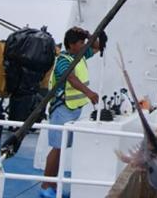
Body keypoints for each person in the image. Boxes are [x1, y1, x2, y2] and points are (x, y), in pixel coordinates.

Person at [39, 27, 101, 198]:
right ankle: (46, 186)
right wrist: (89, 93)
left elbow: (97, 46)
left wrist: (87, 34)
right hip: (62, 109)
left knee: (62, 148)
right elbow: (71, 79)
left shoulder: (79, 55)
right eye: (81, 43)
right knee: (57, 148)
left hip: (73, 109)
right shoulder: (63, 60)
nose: (84, 45)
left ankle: (52, 185)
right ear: (71, 45)